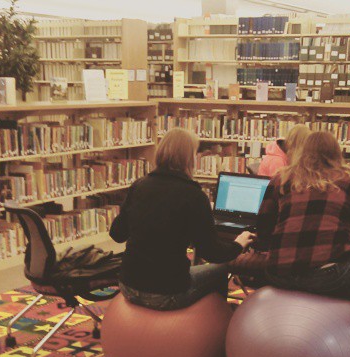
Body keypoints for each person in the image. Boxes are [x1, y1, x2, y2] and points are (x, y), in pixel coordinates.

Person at [109, 127, 254, 310]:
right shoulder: (193, 195)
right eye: (194, 153)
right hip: (166, 293)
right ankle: (218, 325)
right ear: (188, 158)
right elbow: (213, 253)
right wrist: (239, 244)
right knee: (221, 270)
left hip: (128, 285)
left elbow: (117, 234)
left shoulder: (139, 186)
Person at [256, 130, 350, 314]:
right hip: (327, 276)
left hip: (278, 273)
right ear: (337, 153)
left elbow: (264, 227)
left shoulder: (282, 177)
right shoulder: (349, 179)